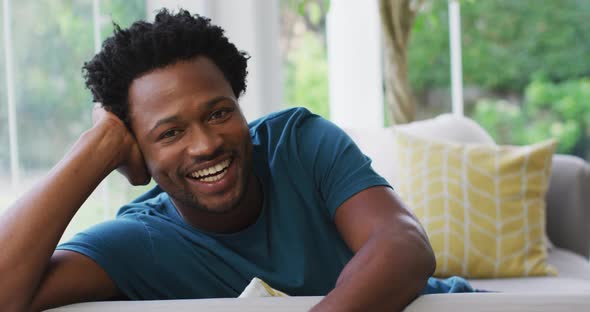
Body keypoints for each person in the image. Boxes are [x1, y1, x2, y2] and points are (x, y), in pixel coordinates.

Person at [0, 9, 475, 312]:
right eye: (169, 133)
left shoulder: (299, 143)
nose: (206, 144)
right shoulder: (138, 243)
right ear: (137, 152)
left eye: (220, 112)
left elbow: (404, 243)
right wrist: (96, 146)